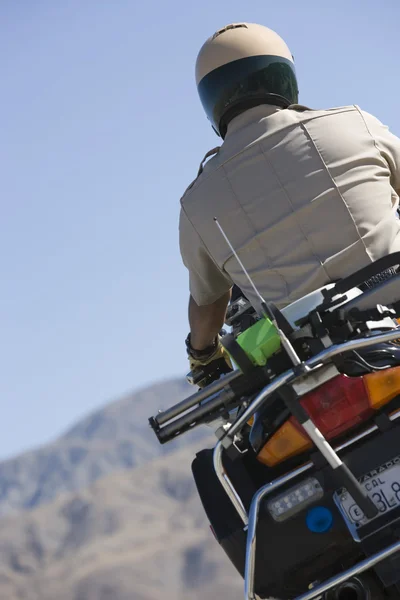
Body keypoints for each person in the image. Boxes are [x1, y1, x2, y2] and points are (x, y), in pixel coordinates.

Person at [180, 22, 400, 386]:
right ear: (282, 75)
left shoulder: (196, 205)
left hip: (313, 369)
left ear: (212, 100)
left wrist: (201, 354)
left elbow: (206, 304)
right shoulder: (353, 125)